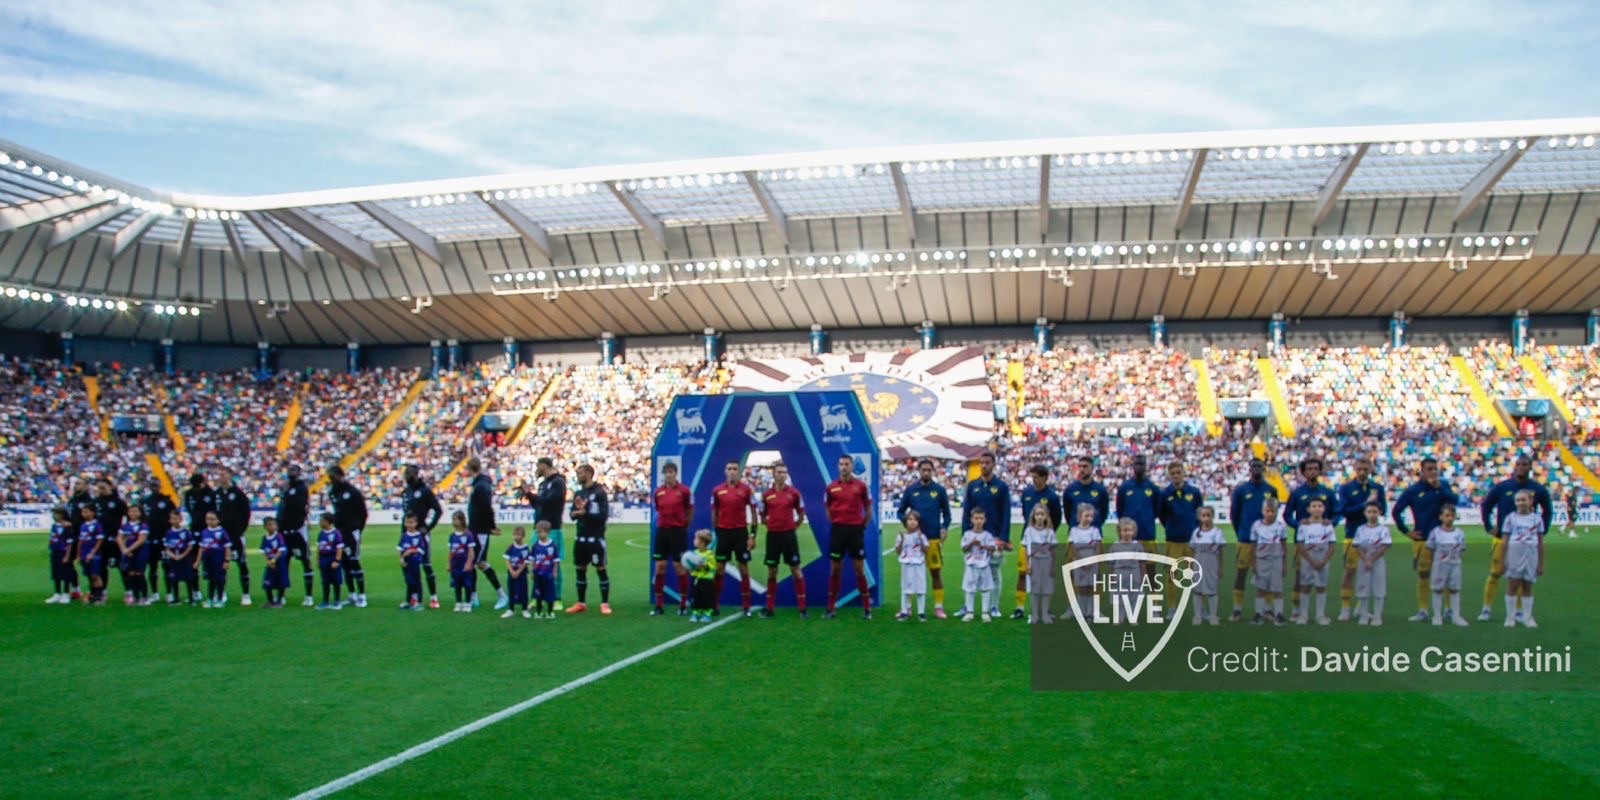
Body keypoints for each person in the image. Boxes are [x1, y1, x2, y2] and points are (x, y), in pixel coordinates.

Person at [1477, 455, 1552, 622]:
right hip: (1502, 539)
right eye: (1518, 464)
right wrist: (1489, 527)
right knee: (1495, 573)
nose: (1520, 467)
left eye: (1524, 464)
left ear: (1530, 467)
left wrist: (1542, 530)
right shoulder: (1502, 487)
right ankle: (1486, 608)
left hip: (1526, 541)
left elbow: (1548, 511)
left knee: (1522, 576)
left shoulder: (1538, 489)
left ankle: (1519, 611)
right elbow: (1486, 506)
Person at [1391, 457, 1459, 623]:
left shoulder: (1442, 486)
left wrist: (1440, 489)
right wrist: (1407, 532)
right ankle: (1423, 610)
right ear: (1422, 471)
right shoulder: (1413, 490)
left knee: (1447, 574)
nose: (1433, 472)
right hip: (1422, 539)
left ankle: (1449, 609)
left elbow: (1454, 501)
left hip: (1444, 539)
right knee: (1423, 574)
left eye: (1435, 468)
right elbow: (1396, 511)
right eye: (1429, 469)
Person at [897, 459, 952, 618]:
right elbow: (900, 512)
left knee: (935, 572)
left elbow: (947, 514)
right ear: (919, 471)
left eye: (929, 470)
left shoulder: (939, 490)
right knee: (909, 574)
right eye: (923, 470)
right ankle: (906, 607)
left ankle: (938, 606)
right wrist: (909, 524)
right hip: (914, 540)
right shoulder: (911, 490)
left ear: (932, 471)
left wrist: (944, 527)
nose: (926, 472)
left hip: (933, 538)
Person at [1335, 455, 1385, 621]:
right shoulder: (1346, 488)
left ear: (1371, 469)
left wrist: (1375, 505)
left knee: (1368, 573)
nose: (1362, 472)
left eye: (1366, 469)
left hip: (1373, 537)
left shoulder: (1377, 488)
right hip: (1353, 535)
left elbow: (1383, 508)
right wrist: (1365, 504)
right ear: (1355, 470)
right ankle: (1345, 608)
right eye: (1359, 469)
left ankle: (1360, 608)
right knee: (1349, 571)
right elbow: (1344, 511)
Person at [1285, 457, 1338, 615]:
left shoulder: (1327, 492)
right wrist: (1298, 524)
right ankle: (1297, 609)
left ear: (1320, 471)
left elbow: (1337, 513)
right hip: (1303, 542)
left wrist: (1331, 523)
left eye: (1315, 468)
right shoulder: (1297, 493)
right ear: (1303, 472)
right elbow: (1287, 515)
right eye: (1309, 469)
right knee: (1300, 576)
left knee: (1322, 576)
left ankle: (1320, 612)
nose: (1313, 471)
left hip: (1322, 542)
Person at [824, 454, 873, 619]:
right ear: (838, 466)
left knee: (859, 569)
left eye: (847, 464)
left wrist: (861, 526)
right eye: (841, 464)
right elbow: (828, 508)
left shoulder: (861, 486)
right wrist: (836, 523)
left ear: (852, 466)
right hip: (838, 531)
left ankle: (867, 608)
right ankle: (831, 608)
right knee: (835, 568)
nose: (844, 467)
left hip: (855, 531)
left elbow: (868, 508)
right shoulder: (831, 487)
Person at [963, 452, 1010, 618]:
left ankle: (994, 606)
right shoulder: (973, 485)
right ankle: (967, 606)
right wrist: (965, 533)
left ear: (993, 464)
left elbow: (1006, 513)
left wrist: (1003, 538)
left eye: (987, 462)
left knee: (994, 573)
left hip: (994, 536)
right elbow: (966, 511)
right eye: (982, 462)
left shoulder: (1001, 486)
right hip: (975, 537)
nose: (984, 465)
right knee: (971, 571)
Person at [1228, 458, 1276, 621]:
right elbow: (1234, 515)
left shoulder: (1271, 490)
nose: (1256, 468)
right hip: (1246, 540)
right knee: (1241, 574)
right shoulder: (1241, 490)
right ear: (1249, 468)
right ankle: (1237, 609)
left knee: (1266, 576)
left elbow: (1273, 514)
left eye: (1259, 466)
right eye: (1254, 466)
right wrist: (1241, 533)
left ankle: (1268, 609)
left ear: (1263, 468)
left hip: (1265, 542)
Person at [709, 460, 758, 617]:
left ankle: (746, 606)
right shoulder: (717, 490)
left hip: (740, 533)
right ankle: (715, 604)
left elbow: (754, 511)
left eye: (735, 469)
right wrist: (717, 531)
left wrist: (752, 534)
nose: (732, 471)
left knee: (744, 569)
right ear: (725, 471)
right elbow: (714, 512)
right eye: (729, 468)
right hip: (724, 533)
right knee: (719, 569)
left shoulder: (746, 490)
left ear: (739, 471)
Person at [760, 463, 807, 618]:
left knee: (795, 569)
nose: (782, 474)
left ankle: (802, 608)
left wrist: (794, 526)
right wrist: (771, 525)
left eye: (784, 472)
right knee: (772, 571)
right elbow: (762, 515)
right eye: (779, 472)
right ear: (773, 474)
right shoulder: (766, 495)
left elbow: (801, 513)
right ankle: (769, 607)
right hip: (773, 536)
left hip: (789, 536)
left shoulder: (794, 493)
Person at [520, 458, 567, 609]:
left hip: (552, 528)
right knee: (537, 562)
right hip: (538, 527)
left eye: (538, 466)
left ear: (544, 466)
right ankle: (537, 595)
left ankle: (556, 598)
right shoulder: (542, 484)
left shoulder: (558, 482)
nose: (536, 469)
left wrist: (531, 494)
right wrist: (528, 495)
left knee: (554, 563)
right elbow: (538, 504)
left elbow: (549, 501)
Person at [1157, 460, 1203, 616]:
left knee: (1195, 574)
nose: (1176, 475)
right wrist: (1172, 527)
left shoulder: (1194, 492)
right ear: (1169, 475)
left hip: (1191, 540)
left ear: (1183, 473)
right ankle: (1172, 607)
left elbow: (1200, 513)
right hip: (1173, 540)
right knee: (1172, 574)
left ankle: (1200, 607)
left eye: (1178, 472)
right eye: (1173, 473)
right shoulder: (1164, 494)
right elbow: (1162, 516)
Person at [1016, 465, 1062, 620]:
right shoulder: (1027, 493)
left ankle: (1045, 611)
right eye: (1032, 476)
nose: (1033, 479)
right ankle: (1020, 607)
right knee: (1023, 573)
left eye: (1036, 476)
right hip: (1027, 540)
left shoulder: (1052, 496)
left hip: (1044, 544)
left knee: (1044, 578)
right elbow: (1025, 514)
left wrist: (1044, 534)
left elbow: (1056, 519)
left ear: (1044, 477)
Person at [566, 465, 612, 615]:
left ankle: (604, 603)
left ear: (588, 473)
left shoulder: (599, 493)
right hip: (580, 537)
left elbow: (603, 516)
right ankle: (581, 603)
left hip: (596, 538)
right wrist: (576, 513)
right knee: (580, 569)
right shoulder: (579, 493)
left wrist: (586, 512)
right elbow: (572, 515)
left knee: (600, 569)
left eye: (580, 473)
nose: (578, 476)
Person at [463, 457, 506, 610]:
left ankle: (501, 595)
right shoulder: (479, 484)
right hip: (475, 529)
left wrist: (491, 526)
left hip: (480, 529)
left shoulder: (481, 485)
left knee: (479, 562)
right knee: (474, 563)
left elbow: (487, 508)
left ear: (469, 468)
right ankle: (474, 596)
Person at [650, 461, 693, 616]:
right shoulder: (658, 492)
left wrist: (683, 526)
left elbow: (689, 510)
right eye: (666, 472)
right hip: (662, 532)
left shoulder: (684, 491)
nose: (669, 475)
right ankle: (659, 605)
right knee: (660, 567)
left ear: (676, 473)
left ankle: (683, 604)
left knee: (679, 567)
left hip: (678, 532)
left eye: (671, 472)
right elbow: (658, 508)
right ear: (664, 474)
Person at [1501, 489, 1546, 628]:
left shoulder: (1537, 519)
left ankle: (1527, 617)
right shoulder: (1510, 518)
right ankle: (1510, 617)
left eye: (1523, 500)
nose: (1520, 503)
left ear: (1530, 501)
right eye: (1518, 500)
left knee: (1528, 585)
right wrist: (1503, 561)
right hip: (1515, 553)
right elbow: (1504, 542)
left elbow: (1540, 543)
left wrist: (1541, 563)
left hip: (1531, 554)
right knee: (1513, 584)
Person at [325, 465, 370, 608]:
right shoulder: (332, 492)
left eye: (333, 475)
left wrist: (358, 530)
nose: (331, 479)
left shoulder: (352, 492)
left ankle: (362, 596)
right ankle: (352, 595)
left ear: (340, 475)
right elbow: (326, 508)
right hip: (339, 532)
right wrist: (311, 509)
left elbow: (363, 512)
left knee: (354, 562)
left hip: (352, 531)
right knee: (344, 563)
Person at [401, 465, 445, 609]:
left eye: (409, 474)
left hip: (421, 534)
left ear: (416, 474)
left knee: (426, 565)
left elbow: (438, 510)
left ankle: (433, 597)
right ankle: (412, 597)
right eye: (406, 474)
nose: (407, 476)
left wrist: (428, 527)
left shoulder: (425, 491)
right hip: (406, 534)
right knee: (408, 566)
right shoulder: (406, 492)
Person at [1114, 454, 1159, 586]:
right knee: (1128, 572)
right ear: (1133, 466)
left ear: (1146, 466)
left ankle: (1153, 604)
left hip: (1148, 536)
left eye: (1141, 464)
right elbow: (1120, 510)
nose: (1139, 467)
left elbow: (1157, 510)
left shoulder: (1153, 488)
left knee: (1151, 574)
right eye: (1136, 464)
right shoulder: (1125, 487)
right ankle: (1129, 604)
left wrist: (1147, 520)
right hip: (1129, 539)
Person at [275, 465, 316, 607]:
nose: (291, 473)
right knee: (283, 562)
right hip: (284, 530)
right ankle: (280, 596)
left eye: (293, 471)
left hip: (298, 529)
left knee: (305, 561)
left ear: (298, 473)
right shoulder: (285, 488)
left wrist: (287, 494)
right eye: (289, 471)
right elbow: (282, 507)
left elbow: (299, 505)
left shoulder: (301, 488)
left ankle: (309, 596)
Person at [1292, 498, 1336, 626]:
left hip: (1323, 559)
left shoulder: (1327, 526)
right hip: (1307, 560)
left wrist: (1323, 560)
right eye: (1314, 506)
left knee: (1321, 587)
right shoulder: (1304, 525)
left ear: (1324, 508)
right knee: (1305, 586)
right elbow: (1300, 544)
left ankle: (1320, 615)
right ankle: (1303, 614)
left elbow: (1332, 545)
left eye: (1319, 506)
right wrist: (1310, 560)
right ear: (1308, 509)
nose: (1317, 508)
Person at [1425, 504, 1469, 627]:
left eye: (1452, 515)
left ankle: (1456, 616)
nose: (1449, 518)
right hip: (1440, 564)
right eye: (1447, 515)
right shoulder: (1436, 532)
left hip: (1455, 564)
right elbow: (1430, 548)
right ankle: (1437, 616)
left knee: (1454, 589)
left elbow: (1462, 548)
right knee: (1438, 589)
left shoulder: (1459, 533)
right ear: (1441, 517)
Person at [1351, 502, 1392, 626]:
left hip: (1378, 561)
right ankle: (1364, 615)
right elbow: (1357, 546)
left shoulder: (1383, 529)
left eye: (1375, 511)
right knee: (1363, 588)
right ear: (1365, 513)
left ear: (1379, 512)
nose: (1372, 514)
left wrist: (1371, 559)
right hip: (1363, 561)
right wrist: (1365, 559)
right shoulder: (1361, 529)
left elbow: (1384, 546)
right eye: (1369, 512)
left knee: (1379, 589)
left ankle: (1377, 616)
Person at [217, 470, 253, 606]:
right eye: (220, 475)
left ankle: (245, 594)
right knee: (221, 565)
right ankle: (222, 593)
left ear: (229, 476)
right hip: (220, 537)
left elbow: (246, 512)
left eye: (224, 474)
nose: (222, 476)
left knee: (241, 563)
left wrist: (240, 529)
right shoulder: (217, 494)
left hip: (235, 535)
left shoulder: (237, 493)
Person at [140, 476, 176, 606]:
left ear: (160, 485)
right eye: (152, 485)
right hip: (150, 538)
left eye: (156, 485)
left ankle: (169, 593)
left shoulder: (166, 500)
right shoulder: (145, 501)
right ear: (149, 486)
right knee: (152, 567)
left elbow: (175, 516)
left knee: (167, 566)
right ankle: (154, 593)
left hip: (165, 538)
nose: (154, 487)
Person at [1251, 497, 1287, 626]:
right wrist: (1253, 562)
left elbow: (1284, 545)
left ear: (1276, 512)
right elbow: (1253, 545)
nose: (1270, 514)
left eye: (1273, 511)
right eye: (1268, 511)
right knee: (1261, 589)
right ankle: (1259, 614)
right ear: (1263, 511)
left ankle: (1279, 614)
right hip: (1261, 560)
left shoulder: (1280, 526)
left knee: (1277, 589)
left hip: (1276, 560)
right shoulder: (1256, 525)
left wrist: (1284, 563)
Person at [1020, 503, 1058, 625]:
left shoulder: (1050, 532)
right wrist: (1027, 565)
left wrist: (1053, 566)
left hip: (1046, 562)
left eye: (1042, 514)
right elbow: (1026, 549)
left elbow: (1053, 550)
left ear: (1046, 516)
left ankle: (1045, 614)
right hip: (1034, 562)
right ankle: (1034, 614)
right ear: (1033, 516)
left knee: (1046, 590)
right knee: (1034, 590)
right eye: (1037, 514)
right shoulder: (1029, 531)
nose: (1040, 517)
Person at [959, 507, 997, 623]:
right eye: (976, 518)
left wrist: (984, 546)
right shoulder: (967, 534)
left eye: (981, 518)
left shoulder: (988, 535)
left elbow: (992, 548)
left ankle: (985, 612)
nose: (979, 521)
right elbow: (964, 549)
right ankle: (969, 612)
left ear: (985, 520)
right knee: (969, 589)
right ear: (971, 519)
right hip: (971, 566)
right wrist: (972, 543)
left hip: (984, 565)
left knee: (985, 589)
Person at [1065, 503, 1102, 620]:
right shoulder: (1074, 531)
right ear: (1079, 516)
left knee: (1091, 588)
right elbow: (1073, 547)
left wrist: (1092, 561)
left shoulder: (1095, 530)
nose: (1089, 519)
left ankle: (1090, 613)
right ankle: (1081, 612)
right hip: (1079, 563)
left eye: (1091, 516)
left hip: (1092, 563)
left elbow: (1098, 547)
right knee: (1081, 588)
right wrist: (1081, 562)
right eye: (1086, 516)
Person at [92, 477, 128, 592]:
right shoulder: (95, 502)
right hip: (100, 540)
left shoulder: (118, 502)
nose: (101, 490)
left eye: (103, 487)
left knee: (122, 566)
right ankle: (103, 591)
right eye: (99, 488)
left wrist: (124, 534)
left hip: (115, 539)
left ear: (110, 487)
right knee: (101, 566)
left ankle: (129, 592)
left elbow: (129, 517)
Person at [1190, 506, 1225, 625]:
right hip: (1198, 560)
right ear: (1199, 517)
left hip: (1212, 560)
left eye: (1208, 515)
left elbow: (1220, 551)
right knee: (1197, 590)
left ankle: (1213, 616)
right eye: (1203, 516)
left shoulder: (1217, 532)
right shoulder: (1196, 532)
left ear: (1212, 516)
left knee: (1212, 589)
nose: (1206, 518)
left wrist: (1220, 567)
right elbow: (1192, 550)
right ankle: (1198, 616)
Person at [1106, 518, 1144, 623]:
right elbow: (1111, 563)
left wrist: (1143, 576)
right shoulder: (1115, 546)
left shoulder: (1137, 545)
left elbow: (1142, 562)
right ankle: (1120, 616)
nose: (1127, 533)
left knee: (1134, 596)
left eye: (1130, 530)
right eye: (1125, 530)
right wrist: (1111, 576)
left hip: (1134, 572)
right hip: (1119, 573)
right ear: (1119, 531)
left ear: (1134, 531)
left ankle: (1132, 616)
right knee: (1119, 596)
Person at [894, 510, 929, 621]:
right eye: (910, 519)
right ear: (905, 522)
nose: (912, 522)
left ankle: (921, 612)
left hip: (919, 564)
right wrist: (902, 540)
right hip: (906, 564)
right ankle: (904, 611)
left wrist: (920, 539)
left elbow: (926, 549)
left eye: (915, 520)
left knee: (920, 589)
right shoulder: (901, 535)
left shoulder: (922, 535)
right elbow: (898, 551)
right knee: (905, 588)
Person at [162, 509, 197, 606]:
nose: (175, 521)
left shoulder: (186, 532)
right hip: (173, 557)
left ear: (181, 519)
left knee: (188, 578)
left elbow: (190, 545)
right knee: (174, 578)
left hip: (184, 557)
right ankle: (176, 598)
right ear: (170, 520)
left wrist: (183, 555)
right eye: (172, 519)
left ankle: (191, 598)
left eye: (177, 518)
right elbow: (166, 547)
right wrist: (172, 555)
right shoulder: (168, 532)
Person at [197, 510, 232, 609]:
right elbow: (201, 547)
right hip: (208, 560)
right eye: (208, 519)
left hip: (219, 559)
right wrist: (198, 561)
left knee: (220, 580)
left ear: (218, 520)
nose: (210, 521)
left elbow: (227, 548)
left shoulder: (222, 532)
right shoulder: (204, 532)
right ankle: (210, 598)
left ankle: (220, 599)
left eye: (212, 519)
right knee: (210, 580)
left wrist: (226, 560)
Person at [116, 504, 149, 606]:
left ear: (140, 513)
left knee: (139, 574)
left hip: (140, 552)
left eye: (135, 511)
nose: (133, 513)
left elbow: (141, 540)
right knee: (131, 574)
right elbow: (119, 538)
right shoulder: (125, 525)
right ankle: (135, 596)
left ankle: (144, 596)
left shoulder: (143, 525)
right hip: (128, 552)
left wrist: (128, 549)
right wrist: (124, 549)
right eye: (131, 511)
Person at [446, 511, 477, 613]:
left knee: (467, 583)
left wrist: (469, 563)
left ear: (461, 520)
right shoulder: (452, 536)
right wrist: (449, 563)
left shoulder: (468, 535)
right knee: (457, 584)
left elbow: (471, 550)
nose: (454, 521)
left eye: (456, 519)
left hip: (464, 562)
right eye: (453, 519)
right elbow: (450, 551)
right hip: (455, 563)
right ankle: (458, 602)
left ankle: (468, 603)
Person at [397, 513, 428, 612]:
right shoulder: (404, 536)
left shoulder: (419, 536)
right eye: (407, 522)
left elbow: (422, 549)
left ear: (416, 523)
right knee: (408, 581)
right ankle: (408, 600)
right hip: (406, 563)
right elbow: (399, 549)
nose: (409, 525)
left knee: (417, 581)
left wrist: (411, 551)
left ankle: (419, 602)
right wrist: (401, 559)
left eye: (411, 523)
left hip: (414, 562)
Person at [77, 504, 107, 605]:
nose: (84, 514)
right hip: (84, 554)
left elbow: (100, 540)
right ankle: (93, 595)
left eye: (86, 511)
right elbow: (81, 541)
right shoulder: (83, 525)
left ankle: (100, 596)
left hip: (94, 554)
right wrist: (78, 554)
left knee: (95, 575)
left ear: (92, 512)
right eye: (83, 512)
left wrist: (93, 552)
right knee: (89, 576)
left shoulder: (97, 525)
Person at [314, 512, 345, 610]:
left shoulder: (336, 533)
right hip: (324, 559)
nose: (319, 522)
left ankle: (337, 601)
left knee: (336, 581)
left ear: (327, 522)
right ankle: (325, 601)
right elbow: (318, 547)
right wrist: (318, 559)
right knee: (325, 581)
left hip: (332, 558)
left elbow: (339, 548)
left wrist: (337, 560)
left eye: (321, 520)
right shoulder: (321, 533)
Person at [687, 529, 717, 623]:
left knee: (706, 597)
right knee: (696, 596)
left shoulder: (709, 554)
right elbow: (690, 566)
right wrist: (689, 567)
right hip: (696, 578)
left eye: (696, 539)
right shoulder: (694, 553)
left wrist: (703, 565)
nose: (694, 541)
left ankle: (707, 614)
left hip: (706, 580)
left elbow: (711, 566)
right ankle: (696, 613)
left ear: (703, 542)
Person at [502, 526, 532, 619]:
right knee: (511, 590)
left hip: (521, 573)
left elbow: (525, 562)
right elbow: (507, 559)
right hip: (511, 573)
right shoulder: (511, 547)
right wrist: (511, 570)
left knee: (523, 591)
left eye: (518, 535)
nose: (516, 537)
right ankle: (511, 609)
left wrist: (518, 571)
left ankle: (525, 609)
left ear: (523, 536)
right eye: (514, 535)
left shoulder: (526, 548)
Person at [46, 506, 75, 604]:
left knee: (66, 573)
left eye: (56, 514)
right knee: (56, 572)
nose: (54, 516)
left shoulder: (67, 526)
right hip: (55, 551)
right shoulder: (54, 526)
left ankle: (66, 593)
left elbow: (69, 542)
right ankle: (57, 593)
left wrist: (67, 555)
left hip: (64, 552)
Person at [532, 521, 560, 619]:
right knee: (538, 594)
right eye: (537, 532)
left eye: (541, 532)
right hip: (538, 574)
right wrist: (532, 571)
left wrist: (555, 571)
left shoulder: (553, 545)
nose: (539, 534)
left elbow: (556, 560)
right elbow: (533, 559)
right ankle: (539, 612)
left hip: (548, 574)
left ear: (548, 532)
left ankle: (550, 611)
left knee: (550, 594)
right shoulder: (535, 545)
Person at [260, 517, 289, 608]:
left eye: (274, 524)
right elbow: (263, 551)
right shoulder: (264, 537)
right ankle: (270, 600)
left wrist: (274, 560)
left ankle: (279, 600)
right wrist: (267, 561)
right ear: (265, 527)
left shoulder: (278, 537)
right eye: (270, 525)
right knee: (267, 582)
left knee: (281, 581)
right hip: (270, 564)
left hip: (279, 563)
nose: (272, 527)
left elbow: (281, 550)